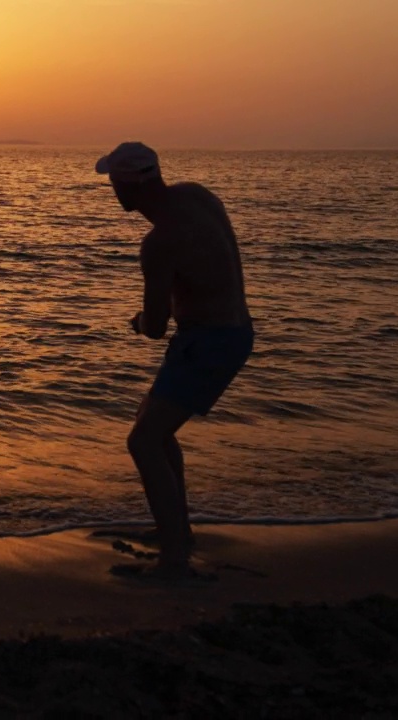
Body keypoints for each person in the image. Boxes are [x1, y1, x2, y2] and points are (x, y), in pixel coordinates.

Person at [96, 142, 254, 580]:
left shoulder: (159, 242)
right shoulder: (197, 196)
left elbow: (154, 326)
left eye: (112, 182)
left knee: (143, 441)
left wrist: (138, 321)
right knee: (156, 431)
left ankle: (173, 560)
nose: (111, 189)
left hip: (210, 342)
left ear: (127, 186)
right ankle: (178, 531)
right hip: (231, 332)